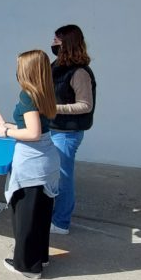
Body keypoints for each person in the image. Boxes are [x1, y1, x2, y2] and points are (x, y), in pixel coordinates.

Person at [0, 50, 60, 279]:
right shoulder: (45, 92)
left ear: (27, 70)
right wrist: (9, 123)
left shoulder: (27, 96)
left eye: (19, 66)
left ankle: (27, 267)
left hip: (32, 164)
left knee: (25, 218)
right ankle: (40, 258)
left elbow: (32, 133)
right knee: (39, 216)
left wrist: (6, 131)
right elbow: (35, 126)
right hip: (47, 160)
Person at [48, 25, 96, 235]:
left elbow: (85, 105)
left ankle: (61, 222)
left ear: (67, 43)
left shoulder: (80, 72)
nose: (53, 43)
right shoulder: (56, 65)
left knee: (63, 178)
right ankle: (54, 214)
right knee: (53, 175)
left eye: (57, 41)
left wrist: (54, 108)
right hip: (54, 128)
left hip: (67, 133)